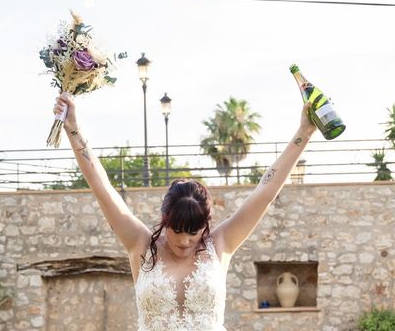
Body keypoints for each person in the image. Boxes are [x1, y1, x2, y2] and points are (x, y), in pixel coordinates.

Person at [54, 94, 316, 331]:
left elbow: (266, 191)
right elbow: (102, 187)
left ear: (205, 225)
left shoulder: (221, 244)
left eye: (194, 232)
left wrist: (304, 131)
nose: (184, 240)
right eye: (176, 230)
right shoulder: (141, 244)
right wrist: (73, 129)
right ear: (164, 220)